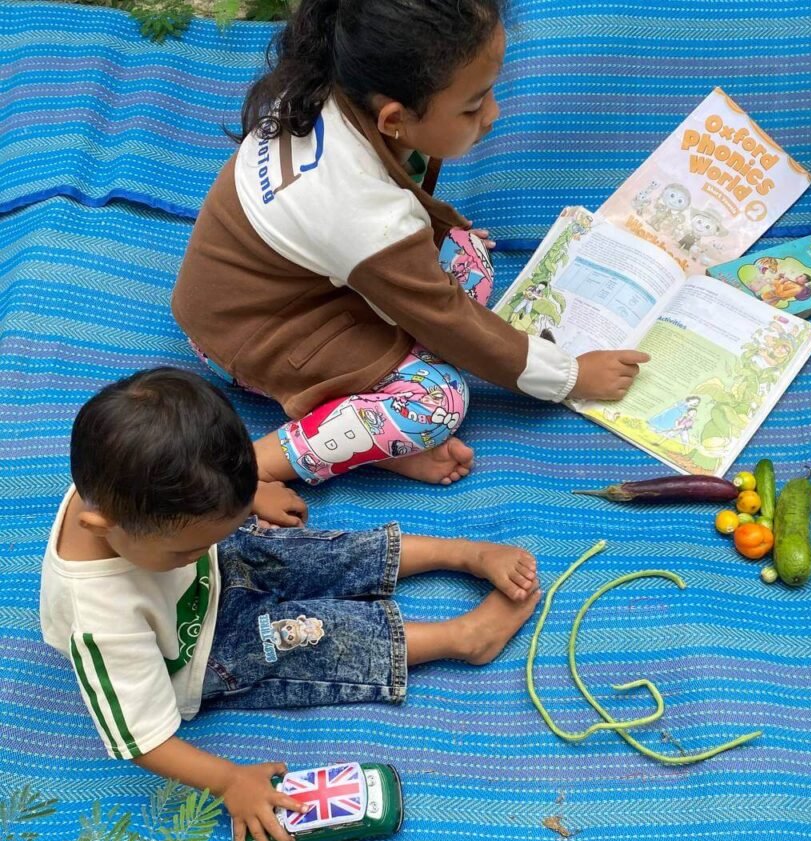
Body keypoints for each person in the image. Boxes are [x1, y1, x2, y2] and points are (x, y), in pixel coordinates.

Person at [40, 369, 540, 841]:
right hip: (204, 651)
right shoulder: (100, 620)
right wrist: (229, 781)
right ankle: (465, 638)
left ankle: (462, 553)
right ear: (100, 524)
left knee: (314, 550)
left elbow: (204, 483)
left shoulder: (129, 486)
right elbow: (142, 740)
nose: (193, 552)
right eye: (182, 550)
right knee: (312, 637)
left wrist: (243, 499)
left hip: (213, 574)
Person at [171, 0, 649, 503]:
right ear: (394, 118)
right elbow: (448, 319)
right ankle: (257, 464)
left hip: (294, 285)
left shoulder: (334, 82)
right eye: (473, 105)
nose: (493, 115)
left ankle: (375, 435)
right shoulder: (361, 212)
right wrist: (571, 376)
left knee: (467, 254)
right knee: (440, 400)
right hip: (249, 335)